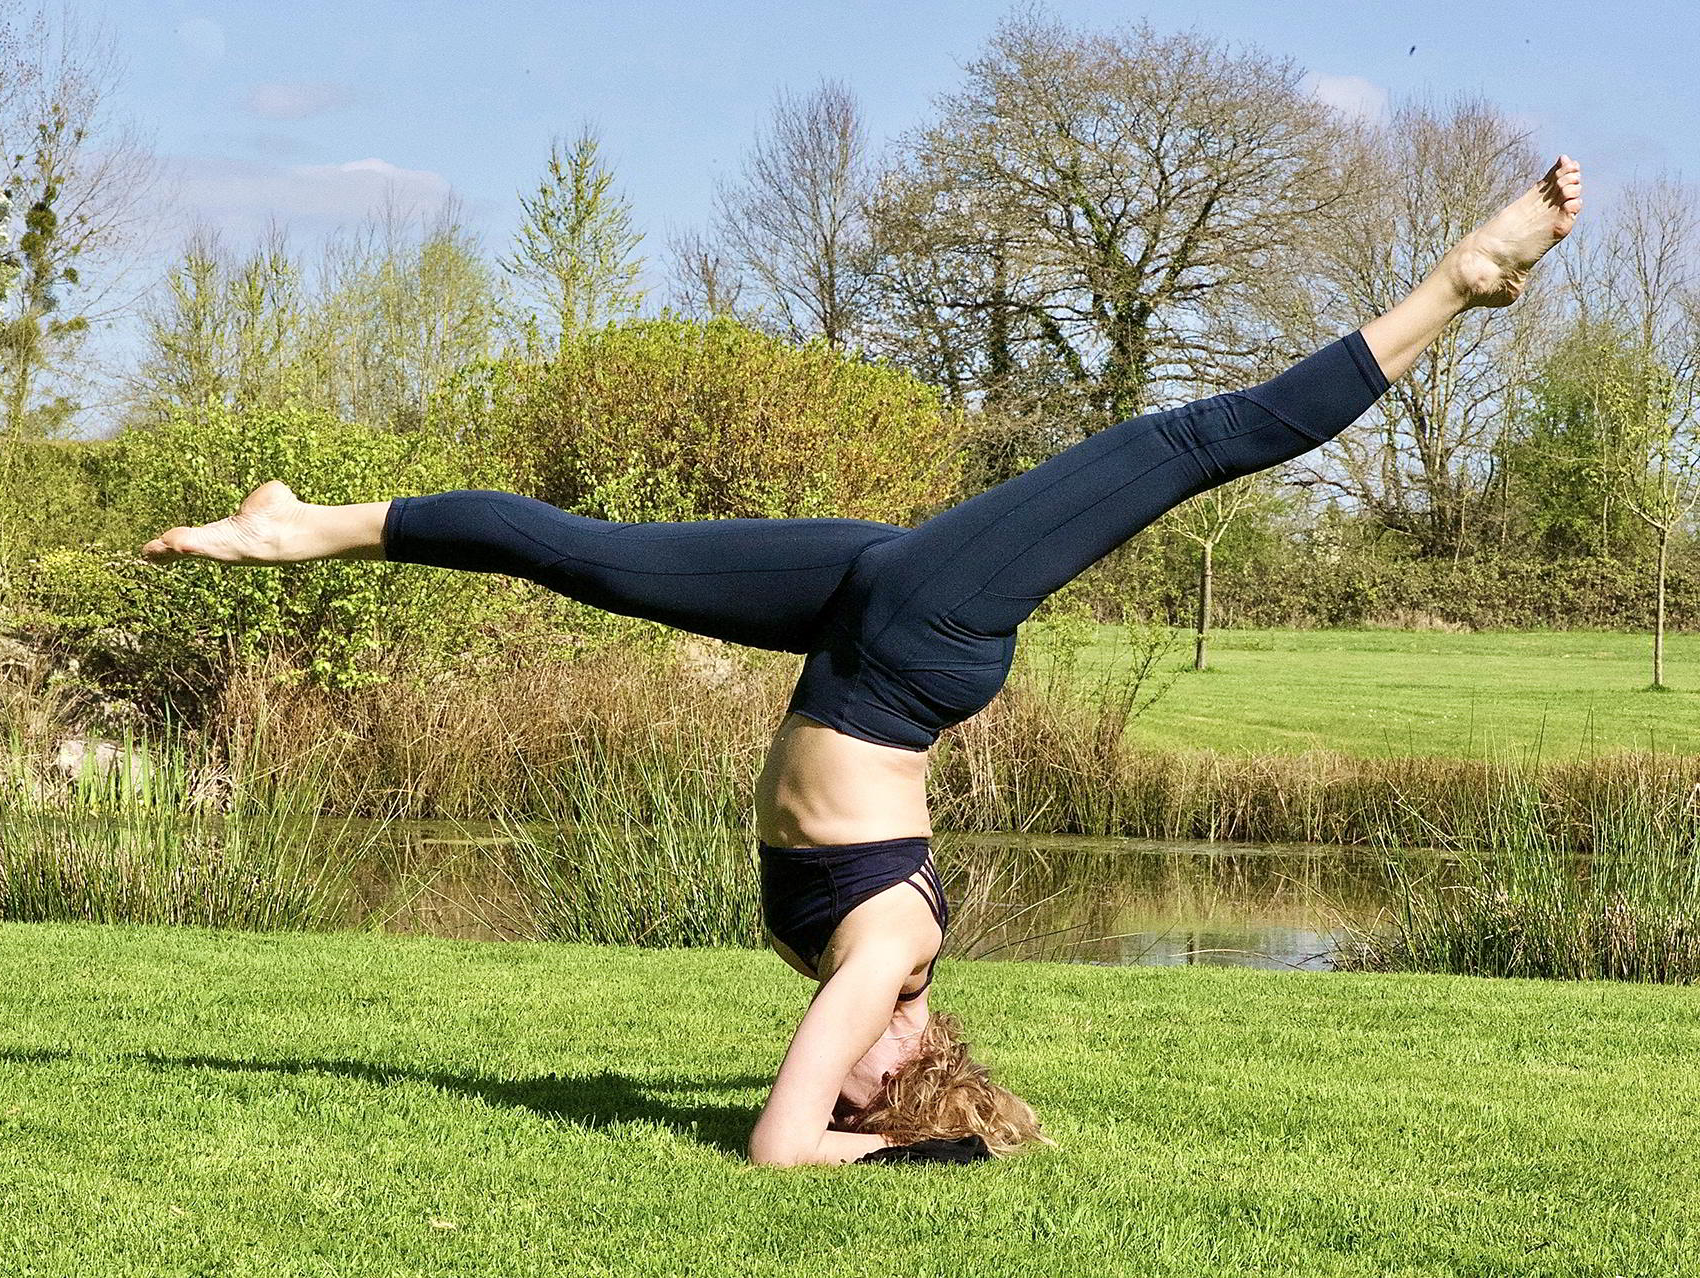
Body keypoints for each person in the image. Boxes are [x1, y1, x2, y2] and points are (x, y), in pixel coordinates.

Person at [143, 157, 1583, 1167]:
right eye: (871, 1091)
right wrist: (907, 1152)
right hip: (914, 636)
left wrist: (918, 1126)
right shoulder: (888, 955)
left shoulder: (858, 971)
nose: (844, 1083)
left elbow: (792, 1119)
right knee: (1205, 441)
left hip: (856, 615)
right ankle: (1464, 277)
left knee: (584, 553)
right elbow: (780, 1147)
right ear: (913, 1058)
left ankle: (299, 529)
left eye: (855, 1095)